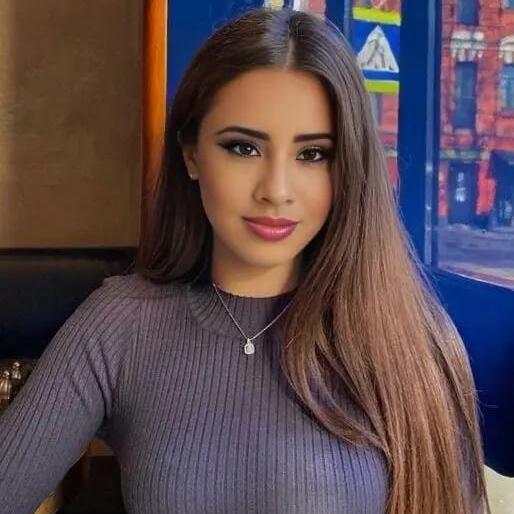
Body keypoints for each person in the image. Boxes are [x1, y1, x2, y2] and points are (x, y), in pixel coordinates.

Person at [0, 7, 490, 514]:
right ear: (192, 154)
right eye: (243, 148)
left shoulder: (413, 340)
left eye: (313, 154)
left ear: (347, 167)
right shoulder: (120, 325)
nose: (276, 190)